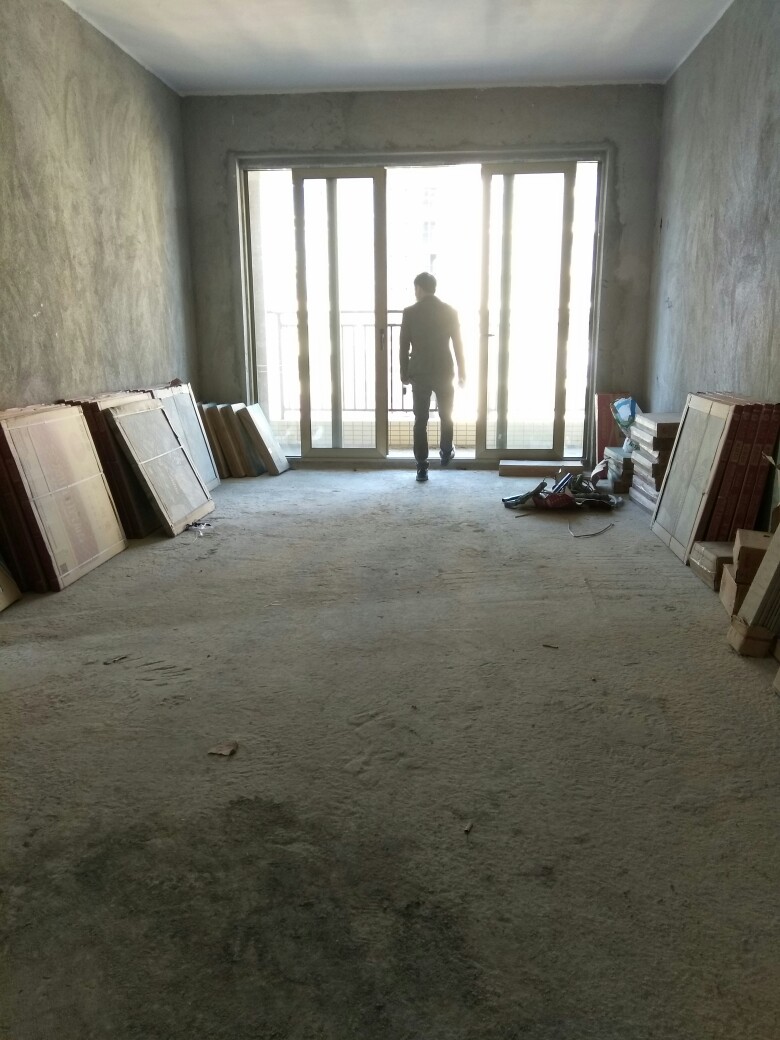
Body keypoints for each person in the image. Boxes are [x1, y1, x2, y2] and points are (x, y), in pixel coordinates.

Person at [399, 272, 466, 482]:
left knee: (421, 420)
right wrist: (462, 371)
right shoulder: (450, 311)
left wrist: (403, 372)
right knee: (446, 414)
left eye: (415, 289)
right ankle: (446, 452)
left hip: (419, 372)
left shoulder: (410, 312)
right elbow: (458, 344)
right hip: (444, 370)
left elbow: (403, 345)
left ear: (419, 288)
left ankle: (422, 467)